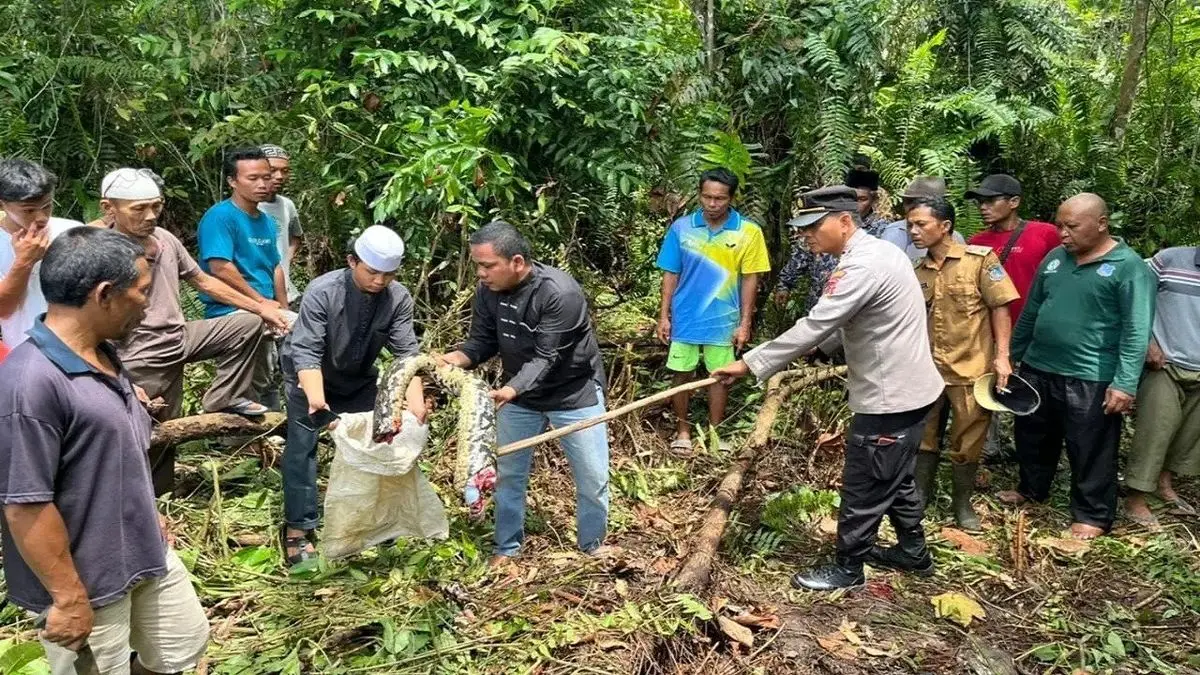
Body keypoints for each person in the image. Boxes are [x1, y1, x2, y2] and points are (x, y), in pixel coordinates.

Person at [712, 186, 944, 591]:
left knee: (865, 481)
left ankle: (848, 568)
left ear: (844, 221)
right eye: (802, 229)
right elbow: (853, 319)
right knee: (895, 475)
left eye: (814, 226)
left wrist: (751, 363)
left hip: (891, 397)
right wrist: (822, 349)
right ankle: (912, 552)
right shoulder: (881, 252)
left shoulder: (861, 265)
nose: (807, 236)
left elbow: (818, 322)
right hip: (910, 390)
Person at [0, 227, 208, 675]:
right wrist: (69, 598)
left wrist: (145, 512)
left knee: (180, 647)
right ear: (105, 295)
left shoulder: (106, 355)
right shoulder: (31, 383)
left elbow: (113, 454)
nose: (147, 304)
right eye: (142, 292)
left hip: (143, 552)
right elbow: (25, 506)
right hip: (88, 580)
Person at [95, 168, 290, 495]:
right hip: (139, 352)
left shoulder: (167, 240)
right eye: (138, 209)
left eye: (156, 206)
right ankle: (151, 501)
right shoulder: (100, 250)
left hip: (179, 336)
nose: (150, 216)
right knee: (157, 431)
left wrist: (261, 307)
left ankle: (226, 398)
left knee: (247, 323)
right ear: (108, 208)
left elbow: (203, 280)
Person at [438, 221, 612, 567]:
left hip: (573, 393)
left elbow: (547, 356)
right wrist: (451, 361)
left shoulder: (559, 293)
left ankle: (593, 546)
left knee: (592, 476)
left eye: (488, 266)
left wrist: (510, 389)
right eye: (477, 265)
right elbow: (481, 343)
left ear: (517, 262)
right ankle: (506, 548)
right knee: (508, 475)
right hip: (519, 397)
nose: (481, 274)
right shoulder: (487, 292)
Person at [1002, 193, 1155, 540]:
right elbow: (1032, 310)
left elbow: (1136, 328)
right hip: (1039, 366)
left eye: (1071, 226)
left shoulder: (1128, 267)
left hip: (1090, 374)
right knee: (1033, 435)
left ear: (1101, 224)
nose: (1063, 234)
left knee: (1090, 447)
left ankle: (1092, 514)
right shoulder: (1055, 259)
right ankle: (1031, 489)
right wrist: (1011, 354)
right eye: (1059, 225)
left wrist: (1125, 383)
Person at [279, 225, 424, 564]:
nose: (379, 281)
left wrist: (415, 402)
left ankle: (369, 522)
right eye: (372, 272)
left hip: (358, 378)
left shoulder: (398, 297)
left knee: (376, 442)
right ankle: (298, 530)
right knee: (303, 448)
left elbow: (407, 354)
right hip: (309, 377)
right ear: (352, 261)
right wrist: (317, 401)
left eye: (388, 275)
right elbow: (307, 352)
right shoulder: (323, 291)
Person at [907, 197, 1019, 531]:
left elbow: (1000, 306)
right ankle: (919, 499)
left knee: (968, 439)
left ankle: (962, 505)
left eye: (921, 224)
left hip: (971, 368)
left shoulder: (980, 261)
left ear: (945, 226)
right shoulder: (917, 271)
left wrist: (1002, 357)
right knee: (924, 437)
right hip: (927, 371)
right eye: (910, 224)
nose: (913, 231)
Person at [656, 168, 770, 454]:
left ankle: (714, 434)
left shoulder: (748, 232)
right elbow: (670, 273)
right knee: (681, 372)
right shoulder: (682, 228)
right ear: (699, 195)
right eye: (707, 197)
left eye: (720, 198)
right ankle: (682, 430)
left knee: (720, 375)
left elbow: (750, 279)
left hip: (723, 319)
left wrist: (745, 322)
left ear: (731, 198)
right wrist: (663, 315)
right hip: (686, 317)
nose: (712, 204)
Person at [966, 174, 1060, 464]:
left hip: (1035, 330)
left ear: (1014, 202)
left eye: (991, 200)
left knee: (1035, 387)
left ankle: (1035, 452)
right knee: (989, 383)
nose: (983, 207)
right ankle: (987, 447)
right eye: (980, 202)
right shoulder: (976, 242)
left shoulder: (1044, 234)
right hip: (991, 329)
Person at [197, 147, 289, 407]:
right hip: (232, 311)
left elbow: (275, 267)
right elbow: (220, 267)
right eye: (253, 178)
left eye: (266, 176)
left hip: (266, 308)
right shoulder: (220, 217)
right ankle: (233, 439)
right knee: (245, 379)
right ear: (232, 181)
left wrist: (282, 307)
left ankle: (270, 431)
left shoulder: (266, 221)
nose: (263, 183)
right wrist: (259, 302)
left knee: (269, 374)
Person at [1123, 246, 1200, 527]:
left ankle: (1163, 485)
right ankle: (1135, 498)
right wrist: (1146, 341)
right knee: (1156, 429)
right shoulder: (1168, 260)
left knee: (1189, 434)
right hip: (1164, 363)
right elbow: (1132, 298)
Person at [0, 159, 83, 349]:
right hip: (26, 351)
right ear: (2, 205)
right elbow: (3, 310)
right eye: (28, 210)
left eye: (47, 206)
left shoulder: (71, 232)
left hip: (80, 346)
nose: (41, 218)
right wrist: (24, 262)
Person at [258, 144, 304, 306]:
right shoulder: (248, 208)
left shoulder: (287, 205)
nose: (279, 176)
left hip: (287, 293)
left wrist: (286, 259)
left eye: (285, 171)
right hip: (259, 297)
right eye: (273, 170)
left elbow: (296, 236)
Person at [878, 176, 963, 261]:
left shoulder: (955, 237)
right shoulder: (896, 232)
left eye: (921, 224)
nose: (913, 231)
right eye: (909, 203)